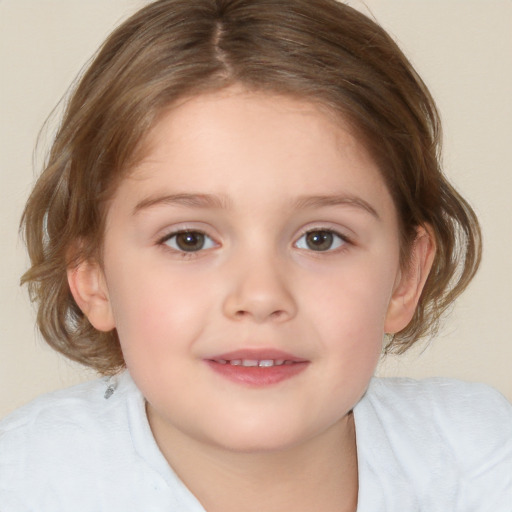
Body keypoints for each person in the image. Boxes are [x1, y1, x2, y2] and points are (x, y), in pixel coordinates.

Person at [0, 0, 510, 510]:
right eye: (189, 240)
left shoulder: (480, 462)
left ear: (405, 277)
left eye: (321, 239)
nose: (261, 296)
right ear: (93, 278)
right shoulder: (24, 481)